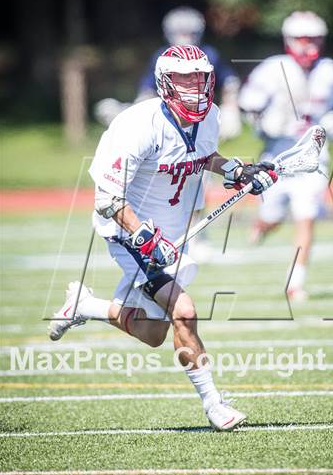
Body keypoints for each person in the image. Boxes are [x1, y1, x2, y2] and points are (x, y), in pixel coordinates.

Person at [49, 45, 277, 431]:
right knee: (183, 310)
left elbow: (203, 157)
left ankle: (84, 306)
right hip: (130, 230)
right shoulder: (136, 125)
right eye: (184, 79)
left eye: (199, 78)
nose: (194, 87)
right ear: (164, 82)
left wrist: (237, 170)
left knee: (153, 333)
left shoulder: (209, 117)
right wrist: (142, 235)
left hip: (175, 232)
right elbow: (109, 198)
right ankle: (215, 404)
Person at [239, 11, 333, 301]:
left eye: (313, 39)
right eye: (302, 38)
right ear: (289, 40)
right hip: (277, 156)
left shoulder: (329, 72)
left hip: (313, 159)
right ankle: (262, 225)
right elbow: (248, 104)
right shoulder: (272, 69)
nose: (307, 45)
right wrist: (263, 123)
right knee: (272, 216)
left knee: (306, 216)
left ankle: (295, 283)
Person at [94, 6, 241, 141]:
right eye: (180, 33)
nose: (185, 38)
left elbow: (230, 81)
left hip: (199, 113)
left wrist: (230, 108)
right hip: (168, 112)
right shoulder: (162, 56)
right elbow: (148, 89)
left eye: (189, 33)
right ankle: (125, 119)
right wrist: (140, 110)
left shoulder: (209, 54)